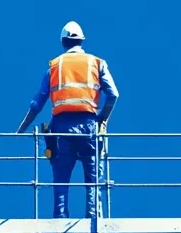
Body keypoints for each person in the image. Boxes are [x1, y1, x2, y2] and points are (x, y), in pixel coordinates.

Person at [17, 21, 119, 217]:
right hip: (88, 126)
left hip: (61, 128)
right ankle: (93, 219)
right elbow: (113, 95)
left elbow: (37, 103)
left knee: (61, 176)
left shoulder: (55, 65)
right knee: (93, 177)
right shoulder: (97, 63)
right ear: (81, 41)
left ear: (63, 42)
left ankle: (60, 220)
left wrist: (20, 130)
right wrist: (102, 119)